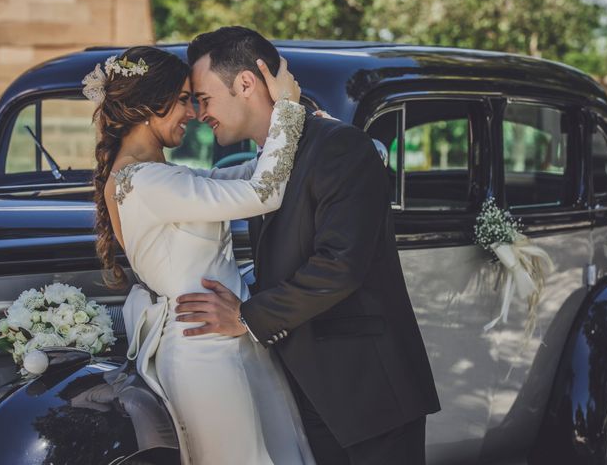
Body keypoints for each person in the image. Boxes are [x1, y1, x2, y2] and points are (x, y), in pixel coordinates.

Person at [176, 26, 441, 465]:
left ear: (245, 83)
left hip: (367, 394)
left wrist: (245, 315)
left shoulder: (340, 147)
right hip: (305, 390)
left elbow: (340, 265)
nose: (200, 113)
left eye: (204, 98)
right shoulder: (264, 164)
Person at [87, 45, 315, 465]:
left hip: (221, 339)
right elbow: (262, 192)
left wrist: (292, 123)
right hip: (203, 353)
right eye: (181, 101)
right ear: (146, 106)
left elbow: (244, 174)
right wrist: (285, 109)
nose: (192, 114)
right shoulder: (143, 181)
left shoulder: (152, 175)